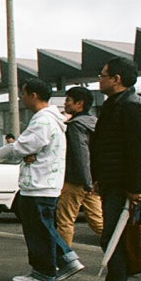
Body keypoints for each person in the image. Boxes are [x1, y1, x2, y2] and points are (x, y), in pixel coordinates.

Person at [77, 57, 141, 281]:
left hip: (125, 186)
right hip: (116, 183)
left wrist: (136, 187)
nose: (99, 79)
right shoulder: (117, 104)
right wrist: (100, 179)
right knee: (129, 239)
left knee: (115, 238)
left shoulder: (130, 107)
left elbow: (137, 151)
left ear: (116, 79)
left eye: (103, 75)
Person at [0, 79, 80, 281]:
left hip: (38, 183)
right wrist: (27, 152)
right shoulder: (54, 119)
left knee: (38, 229)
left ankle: (45, 271)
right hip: (48, 181)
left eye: (23, 94)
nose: (22, 99)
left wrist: (25, 151)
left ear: (34, 95)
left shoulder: (42, 120)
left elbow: (20, 147)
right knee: (45, 226)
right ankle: (64, 261)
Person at [55, 86, 103, 249]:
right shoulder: (95, 123)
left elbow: (81, 154)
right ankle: (122, 253)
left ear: (79, 103)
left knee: (65, 221)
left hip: (76, 180)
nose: (65, 103)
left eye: (68, 100)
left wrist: (85, 180)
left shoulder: (75, 125)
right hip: (92, 181)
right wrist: (92, 181)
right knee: (98, 222)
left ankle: (64, 259)